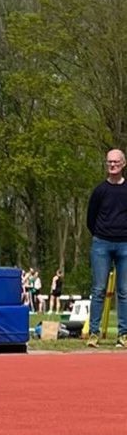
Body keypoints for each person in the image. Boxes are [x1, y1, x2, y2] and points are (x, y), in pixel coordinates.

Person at [86, 148, 127, 348]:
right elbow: (90, 218)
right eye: (109, 162)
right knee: (99, 289)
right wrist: (100, 234)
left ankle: (123, 334)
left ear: (123, 164)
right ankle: (93, 334)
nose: (112, 165)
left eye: (116, 162)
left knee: (124, 291)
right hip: (101, 243)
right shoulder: (99, 191)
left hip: (125, 245)